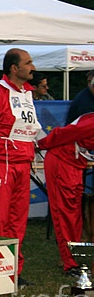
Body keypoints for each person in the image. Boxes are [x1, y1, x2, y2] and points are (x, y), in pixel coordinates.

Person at [0, 48, 41, 287]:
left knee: (17, 221)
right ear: (14, 68)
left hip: (22, 163)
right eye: (28, 62)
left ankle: (12, 270)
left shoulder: (27, 93)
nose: (33, 67)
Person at [37, 113, 94, 276]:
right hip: (62, 161)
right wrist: (40, 145)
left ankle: (75, 257)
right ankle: (70, 262)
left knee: (74, 214)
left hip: (75, 163)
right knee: (65, 213)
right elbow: (61, 133)